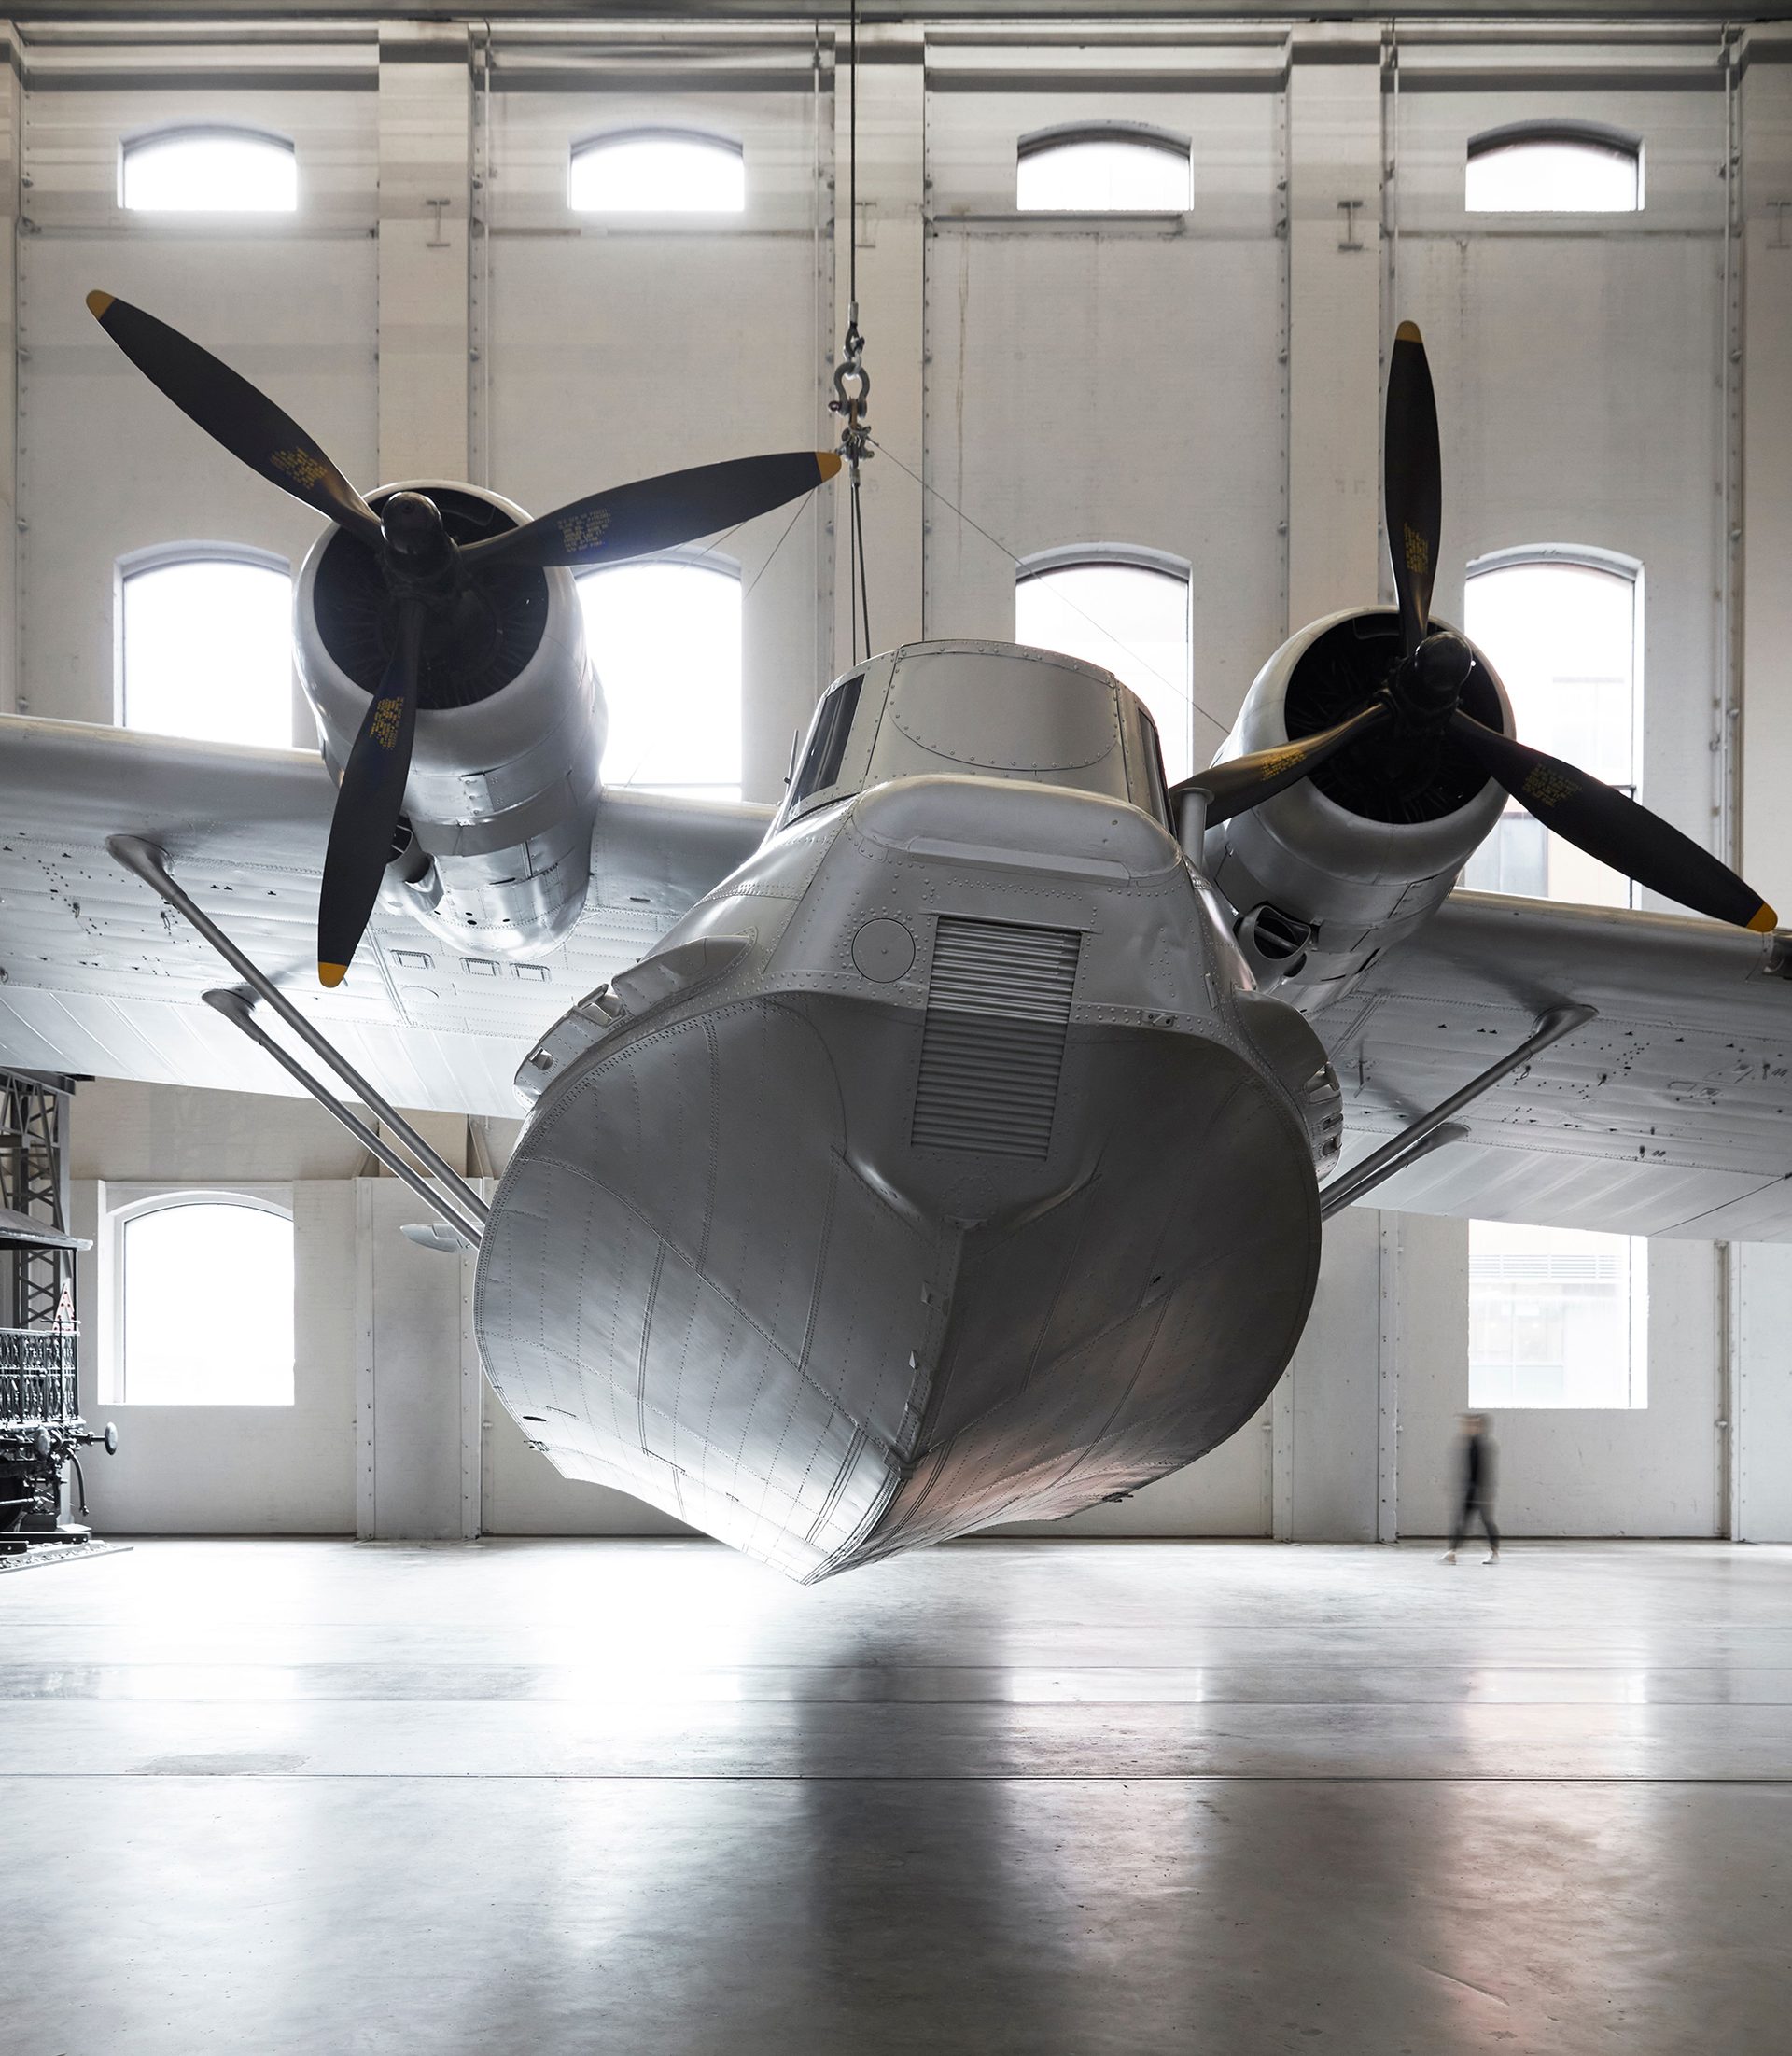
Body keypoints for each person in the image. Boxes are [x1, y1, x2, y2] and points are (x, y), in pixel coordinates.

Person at [1442, 1412, 1499, 1565]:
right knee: (1463, 1521)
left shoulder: (1482, 1444)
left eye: (1472, 1424)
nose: (1468, 1426)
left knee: (1485, 1522)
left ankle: (1493, 1553)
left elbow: (1484, 1470)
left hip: (1478, 1491)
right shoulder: (1470, 1442)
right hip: (1472, 1489)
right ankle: (1452, 1553)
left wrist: (1484, 1491)